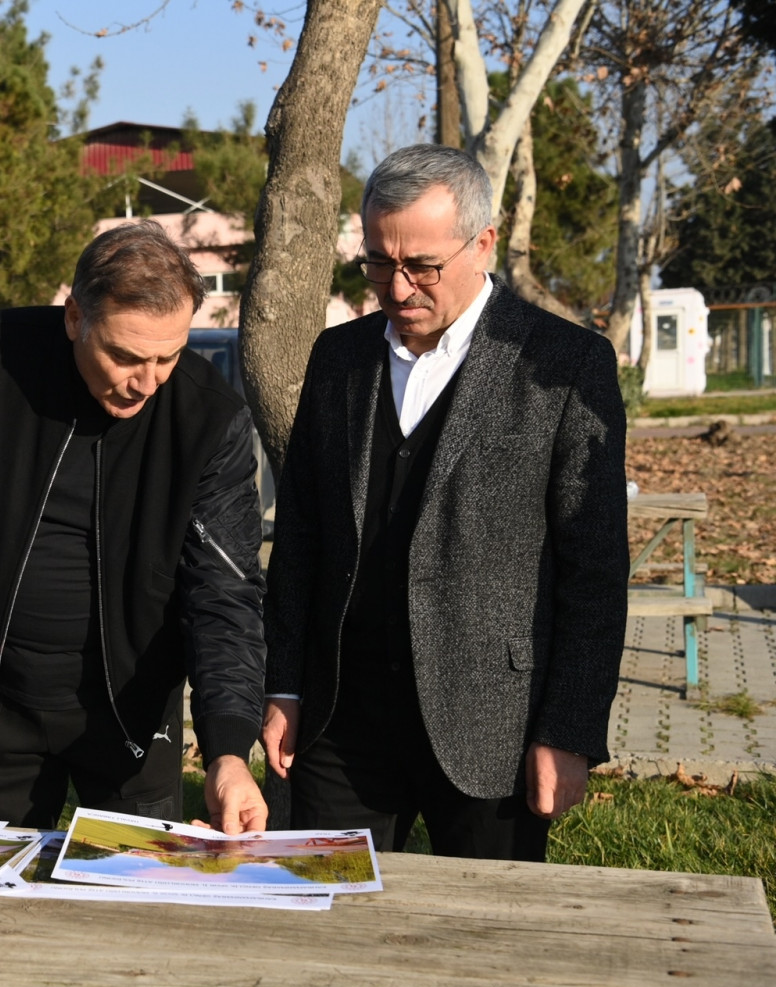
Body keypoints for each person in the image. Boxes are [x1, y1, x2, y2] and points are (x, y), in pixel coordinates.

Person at [260, 144, 628, 861]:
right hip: (342, 721)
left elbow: (595, 569)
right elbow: (301, 537)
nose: (397, 287)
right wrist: (285, 687)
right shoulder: (338, 359)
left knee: (489, 922)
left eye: (422, 265)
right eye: (377, 263)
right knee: (327, 909)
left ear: (483, 243)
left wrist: (570, 728)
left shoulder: (564, 365)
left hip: (494, 727)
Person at [0, 219, 269, 838]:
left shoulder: (207, 419)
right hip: (0, 697)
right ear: (75, 318)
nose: (146, 382)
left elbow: (224, 594)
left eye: (168, 357)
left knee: (129, 891)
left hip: (133, 713)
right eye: (125, 356)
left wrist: (228, 750)